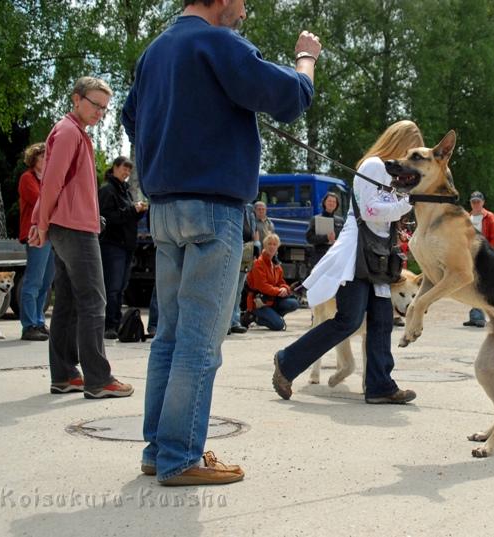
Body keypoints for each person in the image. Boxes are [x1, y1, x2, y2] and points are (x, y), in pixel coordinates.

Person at [122, 0, 320, 486]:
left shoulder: (154, 52)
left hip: (164, 210)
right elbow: (290, 97)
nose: (246, 10)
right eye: (243, 1)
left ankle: (159, 450)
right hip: (213, 209)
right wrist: (306, 59)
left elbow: (131, 119)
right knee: (200, 340)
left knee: (169, 335)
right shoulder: (218, 42)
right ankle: (181, 457)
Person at [272, 120, 421, 405]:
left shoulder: (392, 175)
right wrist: (407, 203)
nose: (410, 160)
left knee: (382, 321)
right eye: (410, 151)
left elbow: (384, 216)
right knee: (348, 320)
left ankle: (380, 386)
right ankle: (287, 361)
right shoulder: (373, 166)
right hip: (357, 255)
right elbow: (370, 211)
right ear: (399, 143)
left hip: (378, 257)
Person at [27, 76, 134, 399]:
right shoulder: (69, 132)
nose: (100, 112)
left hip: (70, 225)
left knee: (69, 302)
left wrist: (41, 221)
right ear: (76, 99)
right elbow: (52, 181)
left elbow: (53, 183)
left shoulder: (73, 132)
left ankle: (65, 375)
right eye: (95, 104)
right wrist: (40, 223)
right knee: (93, 301)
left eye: (104, 108)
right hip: (75, 228)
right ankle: (98, 379)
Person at [98, 156, 148, 339]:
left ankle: (117, 322)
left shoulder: (125, 191)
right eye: (124, 169)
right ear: (114, 168)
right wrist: (132, 210)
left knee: (120, 287)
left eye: (129, 170)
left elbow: (126, 217)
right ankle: (108, 325)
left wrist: (138, 212)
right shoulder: (107, 190)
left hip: (126, 245)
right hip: (112, 244)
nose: (126, 173)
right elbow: (108, 218)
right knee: (112, 287)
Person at [18, 143, 55, 341]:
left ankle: (39, 321)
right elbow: (40, 201)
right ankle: (29, 324)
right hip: (35, 234)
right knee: (33, 280)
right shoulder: (27, 178)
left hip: (51, 234)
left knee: (46, 281)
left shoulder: (49, 179)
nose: (46, 159)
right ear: (34, 159)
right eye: (42, 156)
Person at [463, 190, 494, 328]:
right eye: (473, 202)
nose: (476, 204)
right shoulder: (467, 217)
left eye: (478, 201)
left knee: (482, 285)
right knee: (472, 285)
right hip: (469, 255)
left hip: (483, 255)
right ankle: (475, 316)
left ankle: (483, 316)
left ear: (483, 202)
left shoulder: (489, 217)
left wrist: (488, 253)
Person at [245, 233, 299, 330]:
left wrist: (284, 289)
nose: (272, 246)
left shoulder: (276, 264)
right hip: (258, 303)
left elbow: (281, 282)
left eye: (274, 244)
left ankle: (273, 316)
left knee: (294, 303)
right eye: (269, 244)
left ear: (277, 247)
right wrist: (278, 291)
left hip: (272, 300)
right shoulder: (258, 263)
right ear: (265, 246)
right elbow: (262, 286)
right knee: (279, 325)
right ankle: (254, 317)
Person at [228, 203, 256, 334]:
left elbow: (253, 231)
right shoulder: (232, 205)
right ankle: (226, 324)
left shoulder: (249, 210)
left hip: (246, 251)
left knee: (238, 291)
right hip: (232, 248)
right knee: (229, 290)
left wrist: (255, 248)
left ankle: (234, 321)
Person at [306, 191, 344, 268]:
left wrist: (338, 242)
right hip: (320, 255)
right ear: (324, 203)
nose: (331, 203)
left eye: (334, 202)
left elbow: (344, 239)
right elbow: (309, 238)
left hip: (335, 255)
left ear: (336, 205)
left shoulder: (341, 221)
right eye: (329, 201)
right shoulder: (315, 219)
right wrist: (326, 238)